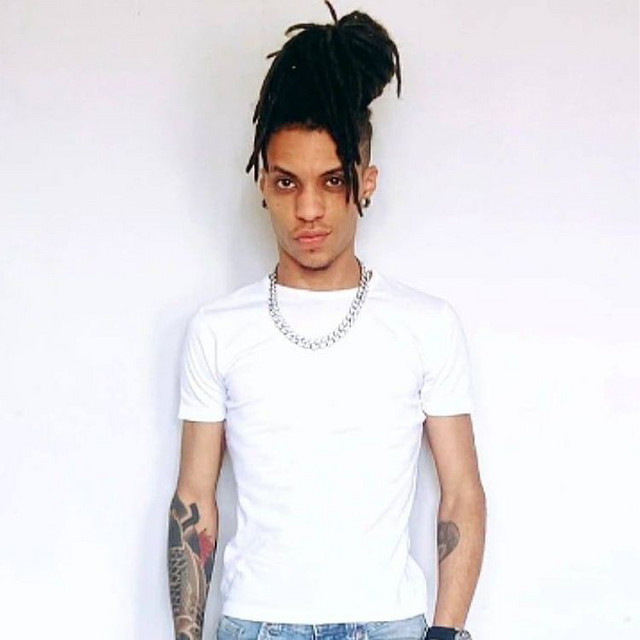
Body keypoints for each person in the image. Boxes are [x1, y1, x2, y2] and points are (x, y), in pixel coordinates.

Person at [167, 3, 486, 640]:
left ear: (366, 183)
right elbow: (194, 499)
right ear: (263, 184)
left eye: (332, 181)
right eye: (287, 183)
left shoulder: (426, 324)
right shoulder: (217, 329)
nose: (308, 209)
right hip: (258, 624)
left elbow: (462, 493)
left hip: (388, 624)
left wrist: (447, 633)